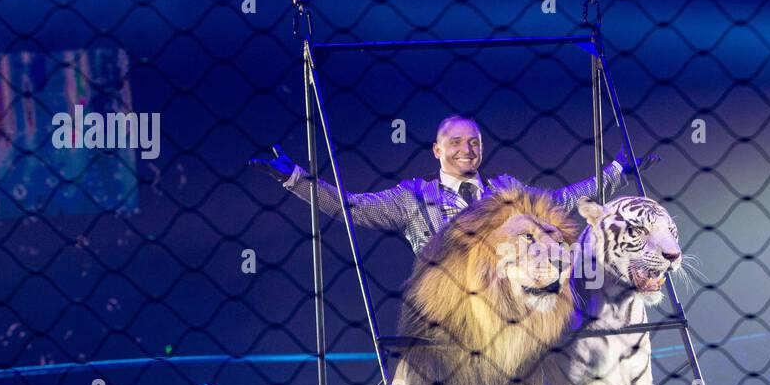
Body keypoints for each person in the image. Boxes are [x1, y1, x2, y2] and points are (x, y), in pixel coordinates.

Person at [250, 114, 656, 253]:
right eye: (456, 142)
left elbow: (561, 201)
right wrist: (296, 180)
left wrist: (616, 171)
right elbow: (354, 207)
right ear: (437, 150)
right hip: (449, 313)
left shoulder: (505, 188)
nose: (467, 149)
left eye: (474, 142)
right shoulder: (414, 198)